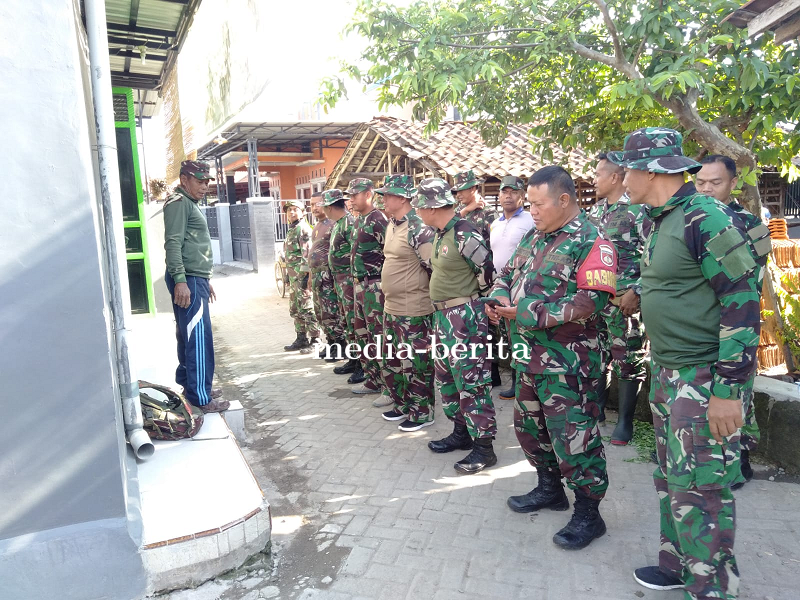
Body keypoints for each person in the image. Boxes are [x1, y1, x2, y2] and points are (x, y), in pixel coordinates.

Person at [608, 128, 769, 598]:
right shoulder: (663, 218)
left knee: (703, 490)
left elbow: (742, 302)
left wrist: (727, 390)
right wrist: (642, 293)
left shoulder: (706, 217)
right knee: (672, 477)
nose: (621, 179)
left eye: (626, 170)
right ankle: (678, 564)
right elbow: (677, 280)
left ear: (651, 170)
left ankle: (712, 588)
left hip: (703, 380)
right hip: (670, 373)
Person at [487, 166, 616, 550]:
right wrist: (500, 296)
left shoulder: (592, 241)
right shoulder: (534, 236)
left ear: (564, 200)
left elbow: (589, 302)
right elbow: (505, 274)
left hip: (569, 365)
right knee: (531, 431)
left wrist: (523, 311)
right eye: (530, 204)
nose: (533, 210)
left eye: (538, 203)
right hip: (529, 359)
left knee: (575, 440)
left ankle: (589, 514)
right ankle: (549, 489)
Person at [414, 178, 498, 474]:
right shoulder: (441, 233)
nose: (418, 211)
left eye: (420, 205)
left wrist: (485, 305)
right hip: (443, 318)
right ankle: (462, 432)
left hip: (465, 317)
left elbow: (488, 273)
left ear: (432, 206)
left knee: (472, 381)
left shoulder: (465, 233)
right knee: (448, 378)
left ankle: (484, 448)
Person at [696, 154, 769, 489]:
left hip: (736, 324)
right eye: (701, 183)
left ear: (733, 183)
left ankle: (741, 457)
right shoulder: (693, 220)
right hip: (700, 328)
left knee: (739, 394)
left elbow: (748, 283)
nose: (708, 190)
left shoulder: (750, 224)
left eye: (716, 183)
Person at [588, 153, 651, 445]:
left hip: (626, 302)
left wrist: (637, 290)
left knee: (629, 360)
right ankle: (597, 411)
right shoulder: (595, 212)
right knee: (598, 357)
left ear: (615, 177)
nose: (594, 180)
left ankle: (625, 422)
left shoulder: (639, 212)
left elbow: (654, 256)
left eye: (599, 174)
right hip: (598, 301)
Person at [163, 160, 229, 412]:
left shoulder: (189, 203)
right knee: (198, 338)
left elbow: (192, 246)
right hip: (187, 279)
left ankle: (194, 385)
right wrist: (181, 279)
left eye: (207, 182)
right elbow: (173, 243)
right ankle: (200, 397)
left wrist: (204, 280)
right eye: (199, 181)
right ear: (184, 180)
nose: (204, 187)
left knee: (187, 334)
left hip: (194, 278)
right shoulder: (179, 204)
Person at [376, 175, 436, 432]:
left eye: (387, 195)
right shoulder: (392, 225)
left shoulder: (418, 228)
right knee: (394, 361)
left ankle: (423, 412)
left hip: (414, 309)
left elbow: (434, 267)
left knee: (417, 364)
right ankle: (403, 404)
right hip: (392, 307)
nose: (383, 199)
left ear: (401, 198)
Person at [452, 169, 501, 388]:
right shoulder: (457, 212)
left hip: (483, 275)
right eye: (457, 191)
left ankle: (493, 370)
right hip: (462, 278)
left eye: (462, 190)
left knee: (488, 325)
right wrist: (466, 210)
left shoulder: (489, 214)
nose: (459, 194)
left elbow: (493, 245)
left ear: (474, 188)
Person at [489, 175, 535, 400]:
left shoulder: (529, 221)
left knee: (519, 337)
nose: (508, 196)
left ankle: (522, 385)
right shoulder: (495, 223)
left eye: (514, 192)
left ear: (522, 196)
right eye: (504, 192)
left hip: (522, 288)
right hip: (500, 286)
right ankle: (516, 383)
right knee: (508, 338)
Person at [348, 178, 391, 401]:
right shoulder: (358, 220)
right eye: (351, 195)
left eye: (355, 194)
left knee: (379, 337)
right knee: (363, 334)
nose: (352, 199)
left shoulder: (378, 219)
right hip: (359, 286)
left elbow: (390, 254)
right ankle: (373, 377)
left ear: (369, 194)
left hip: (375, 286)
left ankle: (388, 387)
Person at [323, 189, 363, 380]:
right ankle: (354, 359)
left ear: (330, 207)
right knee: (346, 321)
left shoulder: (349, 223)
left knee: (354, 322)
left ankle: (362, 365)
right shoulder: (339, 223)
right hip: (340, 281)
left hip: (349, 280)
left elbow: (356, 252)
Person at [309, 192, 345, 360]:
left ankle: (339, 346)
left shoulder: (333, 224)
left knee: (331, 313)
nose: (315, 208)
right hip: (317, 276)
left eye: (318, 204)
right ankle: (331, 343)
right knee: (321, 313)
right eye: (311, 205)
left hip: (328, 277)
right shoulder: (317, 225)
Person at [282, 200, 320, 353]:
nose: (291, 213)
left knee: (307, 308)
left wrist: (306, 277)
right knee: (295, 308)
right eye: (288, 210)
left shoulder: (303, 229)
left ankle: (316, 339)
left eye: (294, 209)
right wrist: (287, 275)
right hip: (293, 277)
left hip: (302, 277)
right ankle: (301, 337)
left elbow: (307, 255)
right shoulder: (292, 229)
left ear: (303, 212)